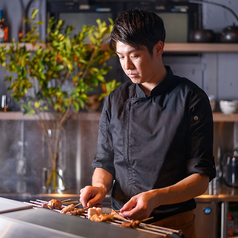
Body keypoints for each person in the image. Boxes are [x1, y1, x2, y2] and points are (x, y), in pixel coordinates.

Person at [80, 8, 216, 238]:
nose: (127, 66)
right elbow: (105, 161)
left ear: (158, 48)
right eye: (121, 56)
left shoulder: (191, 98)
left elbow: (200, 178)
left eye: (134, 55)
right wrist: (100, 187)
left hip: (173, 225)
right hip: (120, 225)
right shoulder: (116, 99)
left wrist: (155, 197)